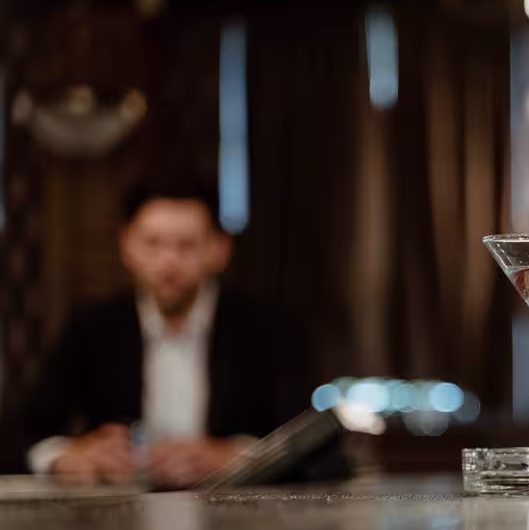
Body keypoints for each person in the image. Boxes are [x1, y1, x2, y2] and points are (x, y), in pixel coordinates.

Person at [2, 177, 318, 488]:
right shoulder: (92, 328)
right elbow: (20, 432)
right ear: (126, 246)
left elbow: (312, 441)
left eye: (186, 245)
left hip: (237, 521)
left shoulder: (268, 330)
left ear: (219, 250)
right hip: (119, 522)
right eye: (152, 243)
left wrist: (240, 457)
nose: (168, 262)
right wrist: (66, 458)